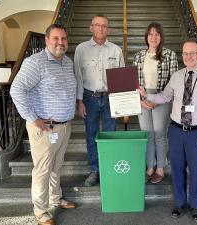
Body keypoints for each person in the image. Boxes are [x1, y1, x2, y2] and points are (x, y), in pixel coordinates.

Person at [138, 38, 197, 221]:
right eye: (185, 53)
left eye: (192, 53)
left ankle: (195, 206)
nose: (188, 56)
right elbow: (165, 96)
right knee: (177, 169)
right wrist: (147, 95)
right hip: (176, 131)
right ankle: (179, 203)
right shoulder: (177, 76)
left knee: (196, 170)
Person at [10, 24, 77, 225]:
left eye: (63, 39)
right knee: (42, 169)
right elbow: (16, 89)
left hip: (63, 126)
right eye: (55, 38)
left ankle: (55, 199)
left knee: (56, 166)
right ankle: (40, 210)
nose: (60, 42)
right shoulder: (35, 62)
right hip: (45, 127)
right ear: (47, 40)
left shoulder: (67, 61)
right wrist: (32, 118)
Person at [74, 15, 125, 186]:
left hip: (111, 98)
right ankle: (95, 170)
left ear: (108, 29)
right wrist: (79, 101)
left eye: (104, 26)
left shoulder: (116, 50)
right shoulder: (81, 49)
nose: (101, 28)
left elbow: (121, 78)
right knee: (91, 135)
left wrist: (122, 104)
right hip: (90, 98)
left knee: (111, 135)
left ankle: (109, 168)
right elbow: (78, 77)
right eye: (97, 25)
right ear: (91, 28)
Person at [132, 22, 178, 184]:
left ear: (161, 37)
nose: (153, 37)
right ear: (146, 37)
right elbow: (133, 82)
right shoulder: (138, 56)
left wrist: (157, 101)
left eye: (157, 34)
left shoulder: (170, 54)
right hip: (143, 99)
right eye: (150, 34)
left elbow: (173, 82)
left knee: (159, 134)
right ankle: (149, 167)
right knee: (147, 134)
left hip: (162, 97)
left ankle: (160, 168)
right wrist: (141, 99)